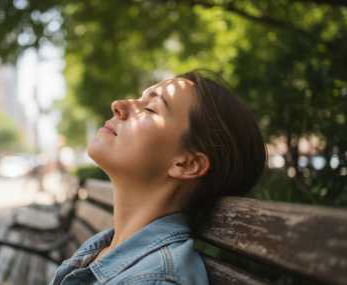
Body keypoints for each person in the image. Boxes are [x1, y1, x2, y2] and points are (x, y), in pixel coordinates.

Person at [50, 70, 267, 284]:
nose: (118, 104)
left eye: (150, 109)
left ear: (187, 164)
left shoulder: (157, 279)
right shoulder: (104, 248)